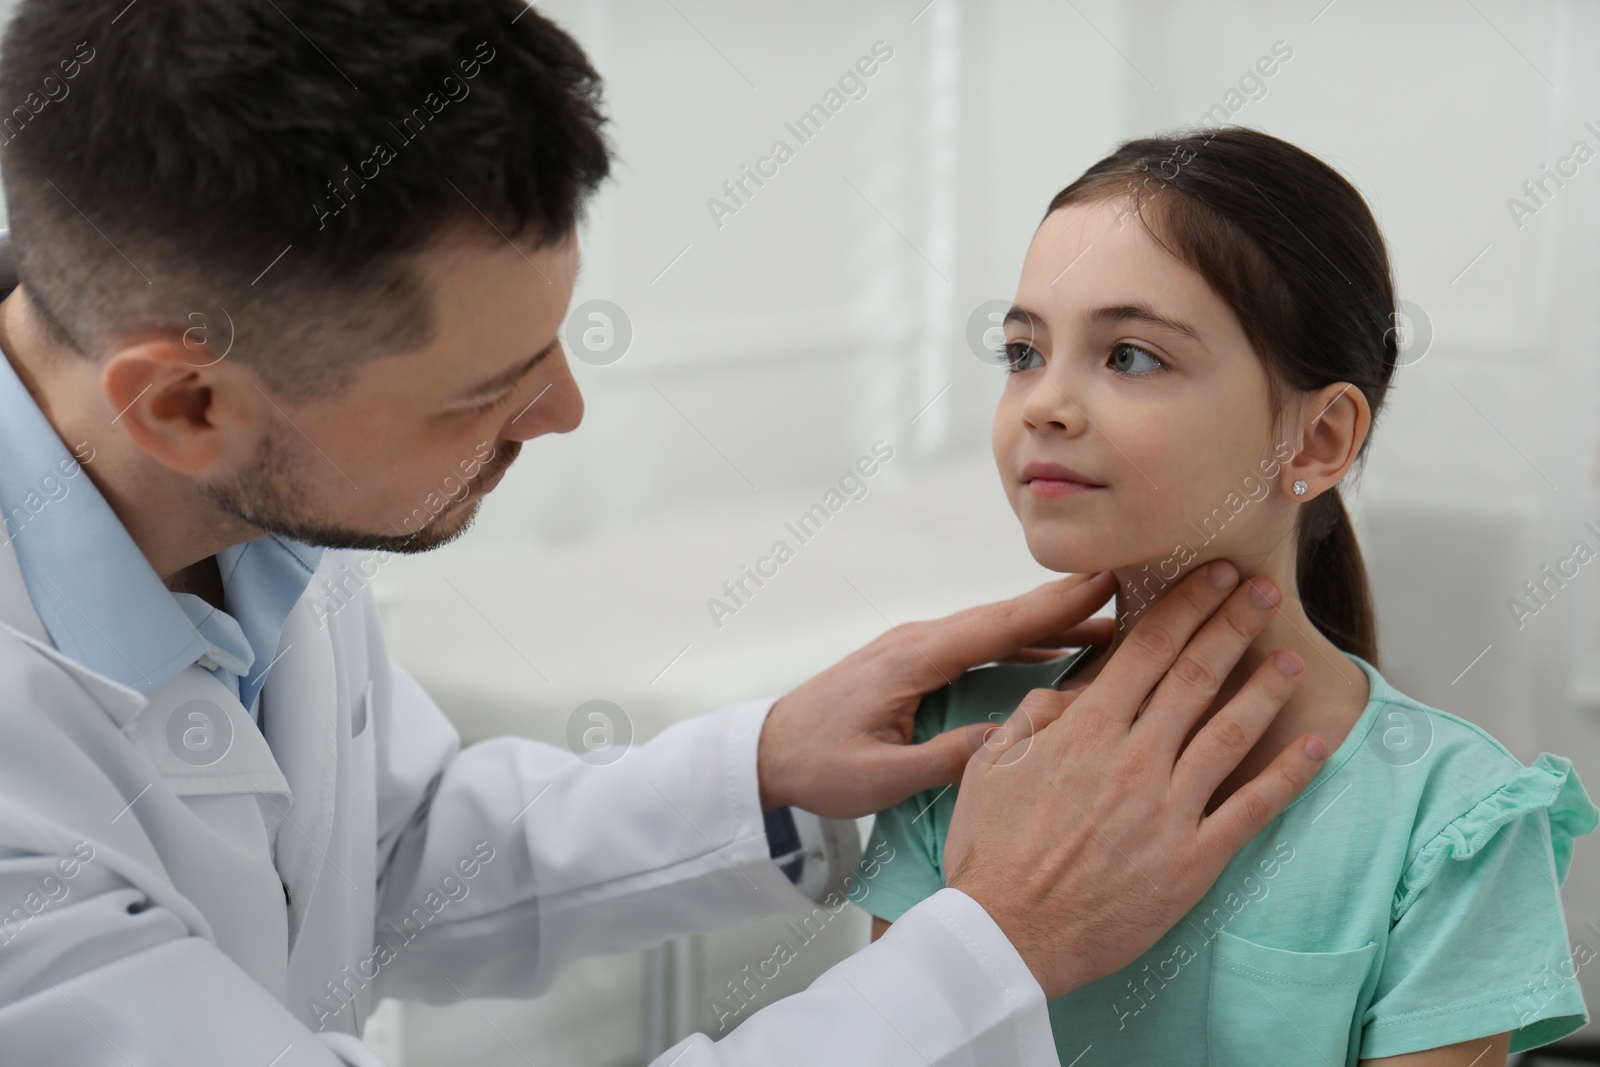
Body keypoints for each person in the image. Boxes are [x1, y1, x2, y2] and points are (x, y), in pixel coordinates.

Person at [0, 5, 1332, 1065]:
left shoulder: (236, 487)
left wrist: (769, 766)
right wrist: (986, 949)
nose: (564, 409)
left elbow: (394, 852)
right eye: (484, 390)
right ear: (184, 401)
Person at [859, 127, 1599, 1066]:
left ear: (1320, 439)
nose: (1044, 401)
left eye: (1129, 355)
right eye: (1021, 351)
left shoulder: (1451, 823)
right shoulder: (957, 743)